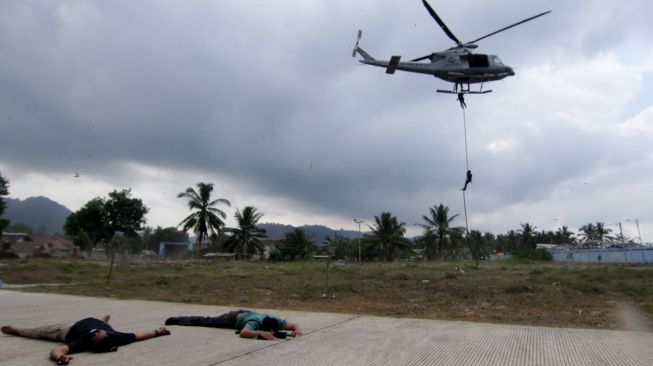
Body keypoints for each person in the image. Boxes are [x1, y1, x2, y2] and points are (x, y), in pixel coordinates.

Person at [1, 315, 170, 365]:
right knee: (103, 322)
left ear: (94, 340)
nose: (101, 333)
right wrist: (158, 332)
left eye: (99, 334)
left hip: (67, 328)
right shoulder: (117, 337)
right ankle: (103, 319)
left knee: (40, 331)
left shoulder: (83, 341)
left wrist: (60, 358)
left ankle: (17, 330)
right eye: (104, 332)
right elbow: (139, 335)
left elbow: (58, 349)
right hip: (95, 321)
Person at [165, 309, 302, 340]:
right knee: (206, 321)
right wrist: (260, 333)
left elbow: (294, 325)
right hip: (232, 318)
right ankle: (176, 320)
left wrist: (297, 330)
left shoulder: (276, 320)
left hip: (246, 312)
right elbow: (244, 333)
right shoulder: (255, 322)